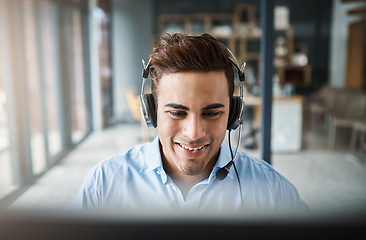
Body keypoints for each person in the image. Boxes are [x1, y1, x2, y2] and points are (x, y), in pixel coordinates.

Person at [71, 33, 308, 213]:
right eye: (177, 113)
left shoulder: (272, 190)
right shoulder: (105, 183)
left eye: (212, 113)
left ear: (234, 113)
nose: (194, 133)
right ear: (152, 111)